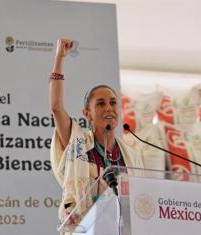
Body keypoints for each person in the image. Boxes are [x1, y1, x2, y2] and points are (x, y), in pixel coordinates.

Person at [50, 38, 144, 225]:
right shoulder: (76, 141)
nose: (109, 108)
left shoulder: (131, 153)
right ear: (87, 114)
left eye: (113, 103)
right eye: (101, 104)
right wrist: (59, 57)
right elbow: (56, 107)